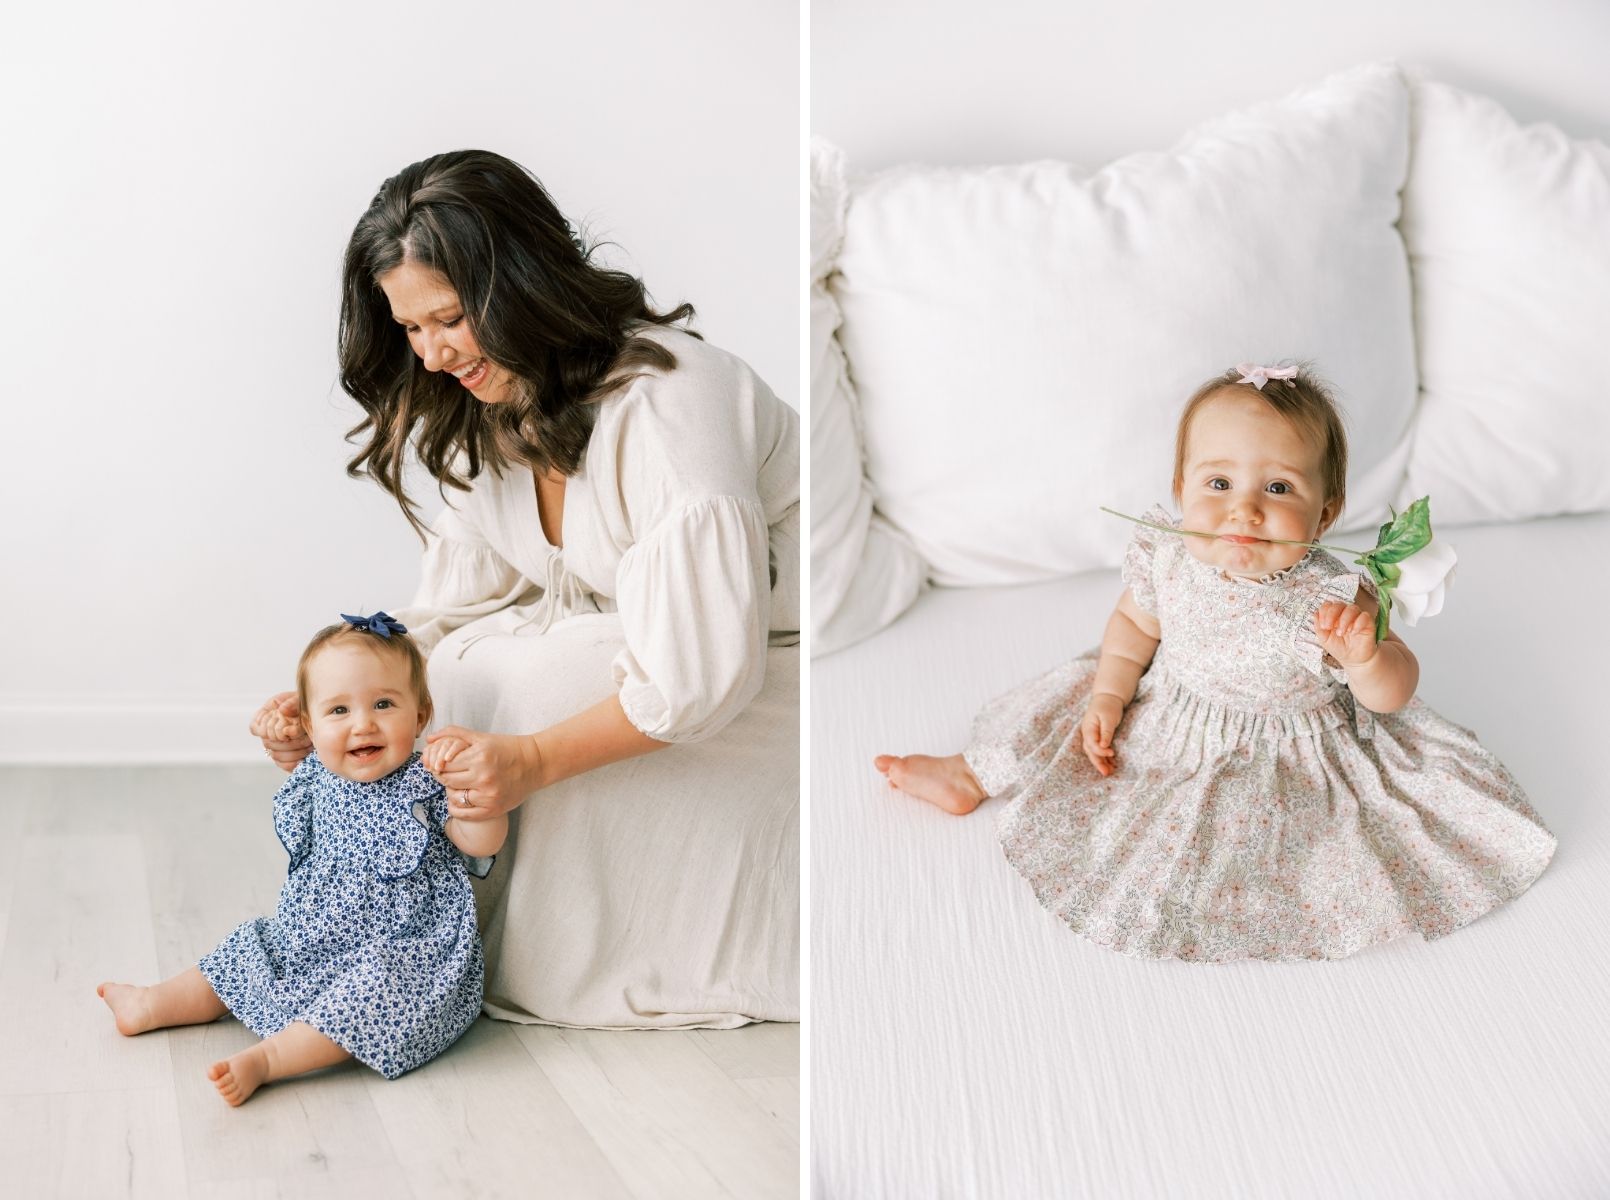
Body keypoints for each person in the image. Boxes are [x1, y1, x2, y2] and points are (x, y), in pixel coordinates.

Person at [251, 150, 799, 1025]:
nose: (431, 355)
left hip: (776, 669)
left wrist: (532, 760)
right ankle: (402, 944)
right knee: (454, 678)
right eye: (411, 329)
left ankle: (511, 956)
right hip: (671, 656)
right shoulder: (489, 406)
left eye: (452, 318)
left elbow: (699, 675)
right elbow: (455, 614)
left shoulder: (669, 401)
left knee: (528, 686)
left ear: (523, 286)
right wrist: (341, 707)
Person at [875, 364, 1556, 962]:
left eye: (1280, 489)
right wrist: (1112, 693)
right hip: (1168, 705)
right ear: (1181, 490)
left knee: (1246, 849)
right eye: (1220, 482)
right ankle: (971, 770)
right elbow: (1134, 627)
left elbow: (1393, 697)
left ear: (1326, 513)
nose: (1246, 510)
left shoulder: (1333, 596)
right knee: (1065, 706)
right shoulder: (1168, 555)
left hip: (1280, 747)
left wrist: (1366, 655)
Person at [100, 614, 504, 1105]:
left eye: (383, 704)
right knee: (249, 948)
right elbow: (285, 743)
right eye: (339, 710)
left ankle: (270, 1059)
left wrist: (477, 802)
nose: (363, 724)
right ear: (311, 727)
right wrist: (279, 724)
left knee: (374, 989)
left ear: (420, 716)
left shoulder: (426, 781)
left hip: (404, 948)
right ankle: (150, 1003)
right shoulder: (315, 773)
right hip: (311, 935)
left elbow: (477, 844)